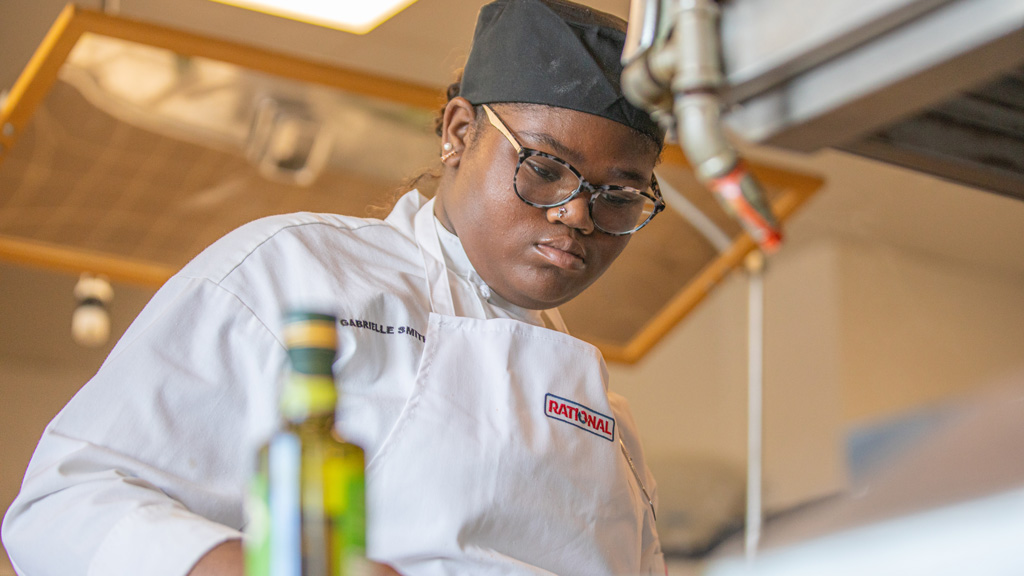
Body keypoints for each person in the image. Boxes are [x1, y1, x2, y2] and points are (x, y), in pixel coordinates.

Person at [2, 0, 668, 574]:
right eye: (547, 168)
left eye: (619, 195)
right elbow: (64, 506)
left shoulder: (612, 427)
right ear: (459, 132)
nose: (576, 214)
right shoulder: (294, 274)